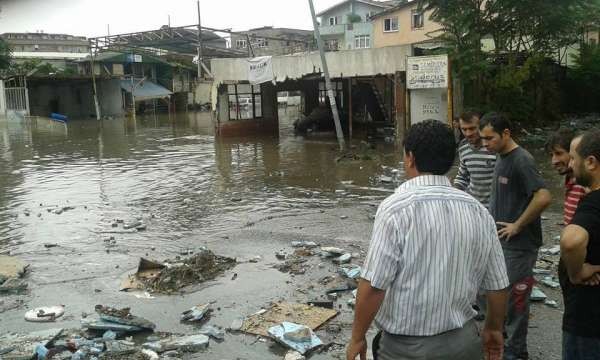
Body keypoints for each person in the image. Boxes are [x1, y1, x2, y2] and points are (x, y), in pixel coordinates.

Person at [347, 120, 509, 360]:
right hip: (464, 343)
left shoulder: (395, 209)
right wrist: (494, 329)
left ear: (410, 158)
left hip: (407, 349)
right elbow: (497, 285)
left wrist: (357, 337)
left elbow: (374, 286)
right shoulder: (478, 211)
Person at [479, 112, 552, 360]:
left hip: (520, 246)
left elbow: (543, 196)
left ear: (506, 134)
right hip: (501, 242)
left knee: (516, 300)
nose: (485, 144)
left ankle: (517, 352)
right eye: (483, 139)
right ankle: (502, 339)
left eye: (489, 138)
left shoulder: (522, 160)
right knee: (492, 292)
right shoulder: (501, 157)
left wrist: (517, 225)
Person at [559, 130, 600, 360]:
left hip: (588, 322)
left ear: (591, 162)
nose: (570, 164)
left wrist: (576, 272)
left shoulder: (593, 204)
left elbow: (571, 241)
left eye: (574, 158)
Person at [454, 111, 497, 209]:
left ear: (482, 126)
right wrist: (454, 191)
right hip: (474, 207)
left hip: (496, 209)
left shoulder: (494, 147)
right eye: (464, 129)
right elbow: (462, 176)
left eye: (472, 128)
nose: (468, 133)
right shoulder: (463, 146)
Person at [546, 129, 587, 225]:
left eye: (559, 153)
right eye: (551, 155)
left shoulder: (585, 182)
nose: (553, 161)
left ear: (573, 152)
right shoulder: (569, 179)